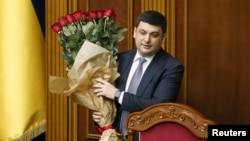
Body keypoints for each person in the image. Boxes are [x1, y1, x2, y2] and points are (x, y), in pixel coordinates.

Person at [92, 10, 184, 140]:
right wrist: (100, 115)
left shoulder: (172, 68)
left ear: (163, 38)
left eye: (154, 35)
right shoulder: (119, 59)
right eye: (143, 33)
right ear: (135, 32)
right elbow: (109, 101)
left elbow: (159, 107)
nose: (147, 39)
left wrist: (117, 94)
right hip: (114, 136)